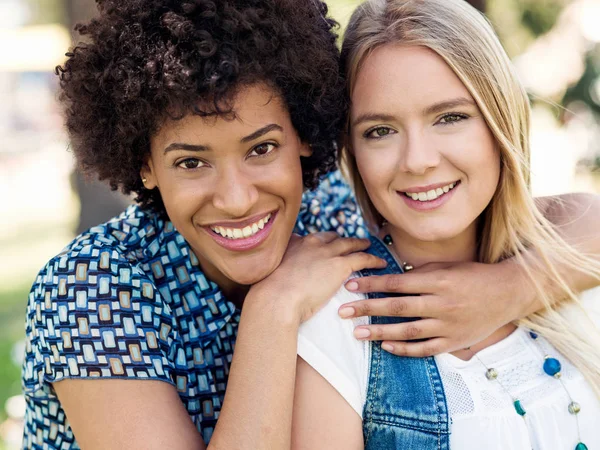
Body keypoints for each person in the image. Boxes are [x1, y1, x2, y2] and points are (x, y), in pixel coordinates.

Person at [22, 0, 600, 449]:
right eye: (191, 162)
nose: (236, 198)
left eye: (261, 148)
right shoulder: (92, 291)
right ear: (144, 164)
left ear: (303, 135)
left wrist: (504, 290)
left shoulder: (329, 205)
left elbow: (575, 216)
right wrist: (273, 310)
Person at [292, 0, 600, 449]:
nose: (418, 160)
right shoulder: (343, 321)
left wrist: (511, 286)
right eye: (380, 130)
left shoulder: (573, 273)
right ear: (353, 151)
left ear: (501, 123)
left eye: (450, 117)